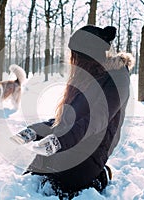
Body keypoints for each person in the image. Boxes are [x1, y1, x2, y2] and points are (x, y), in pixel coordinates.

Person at [11, 25, 134, 199]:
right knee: (33, 176)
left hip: (90, 151)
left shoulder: (117, 78)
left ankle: (99, 176)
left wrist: (58, 141)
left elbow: (96, 120)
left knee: (56, 187)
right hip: (68, 144)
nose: (72, 61)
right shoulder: (85, 77)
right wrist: (32, 131)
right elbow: (66, 119)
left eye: (75, 56)